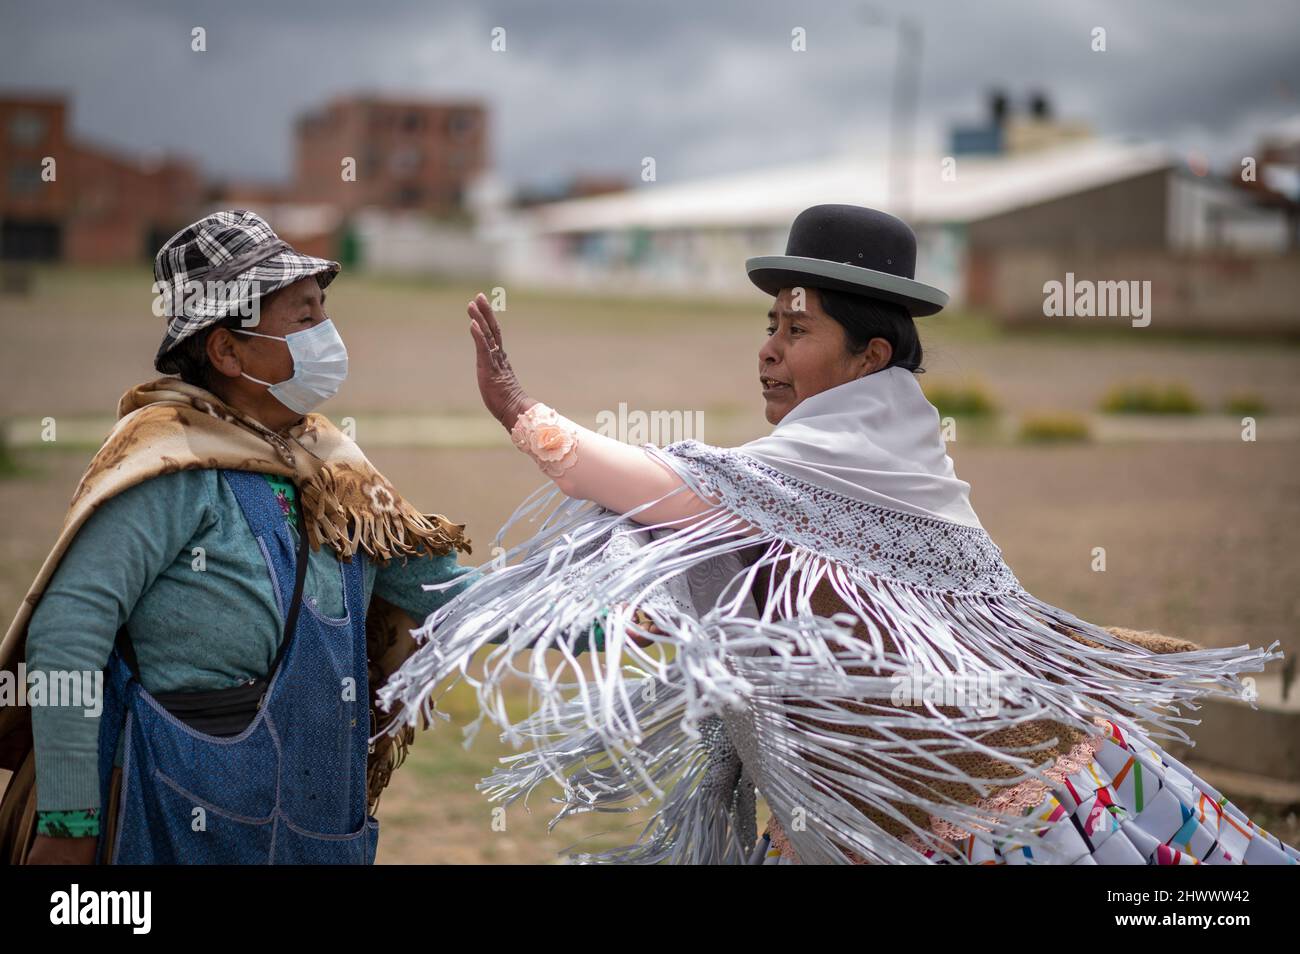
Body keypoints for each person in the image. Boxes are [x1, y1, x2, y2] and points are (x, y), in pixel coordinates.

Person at [378, 204, 1298, 865]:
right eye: (769, 324)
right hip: (875, 815)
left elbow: (639, 487)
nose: (769, 349)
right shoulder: (876, 458)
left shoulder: (835, 470)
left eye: (799, 328)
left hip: (962, 817)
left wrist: (521, 412)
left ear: (871, 359)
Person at [0, 210, 476, 864]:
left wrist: (612, 616)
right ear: (227, 350)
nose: (326, 333)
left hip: (315, 826)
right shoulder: (169, 465)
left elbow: (455, 592)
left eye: (323, 311)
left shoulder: (340, 474)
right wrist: (69, 823)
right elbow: (69, 629)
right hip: (175, 821)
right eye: (302, 318)